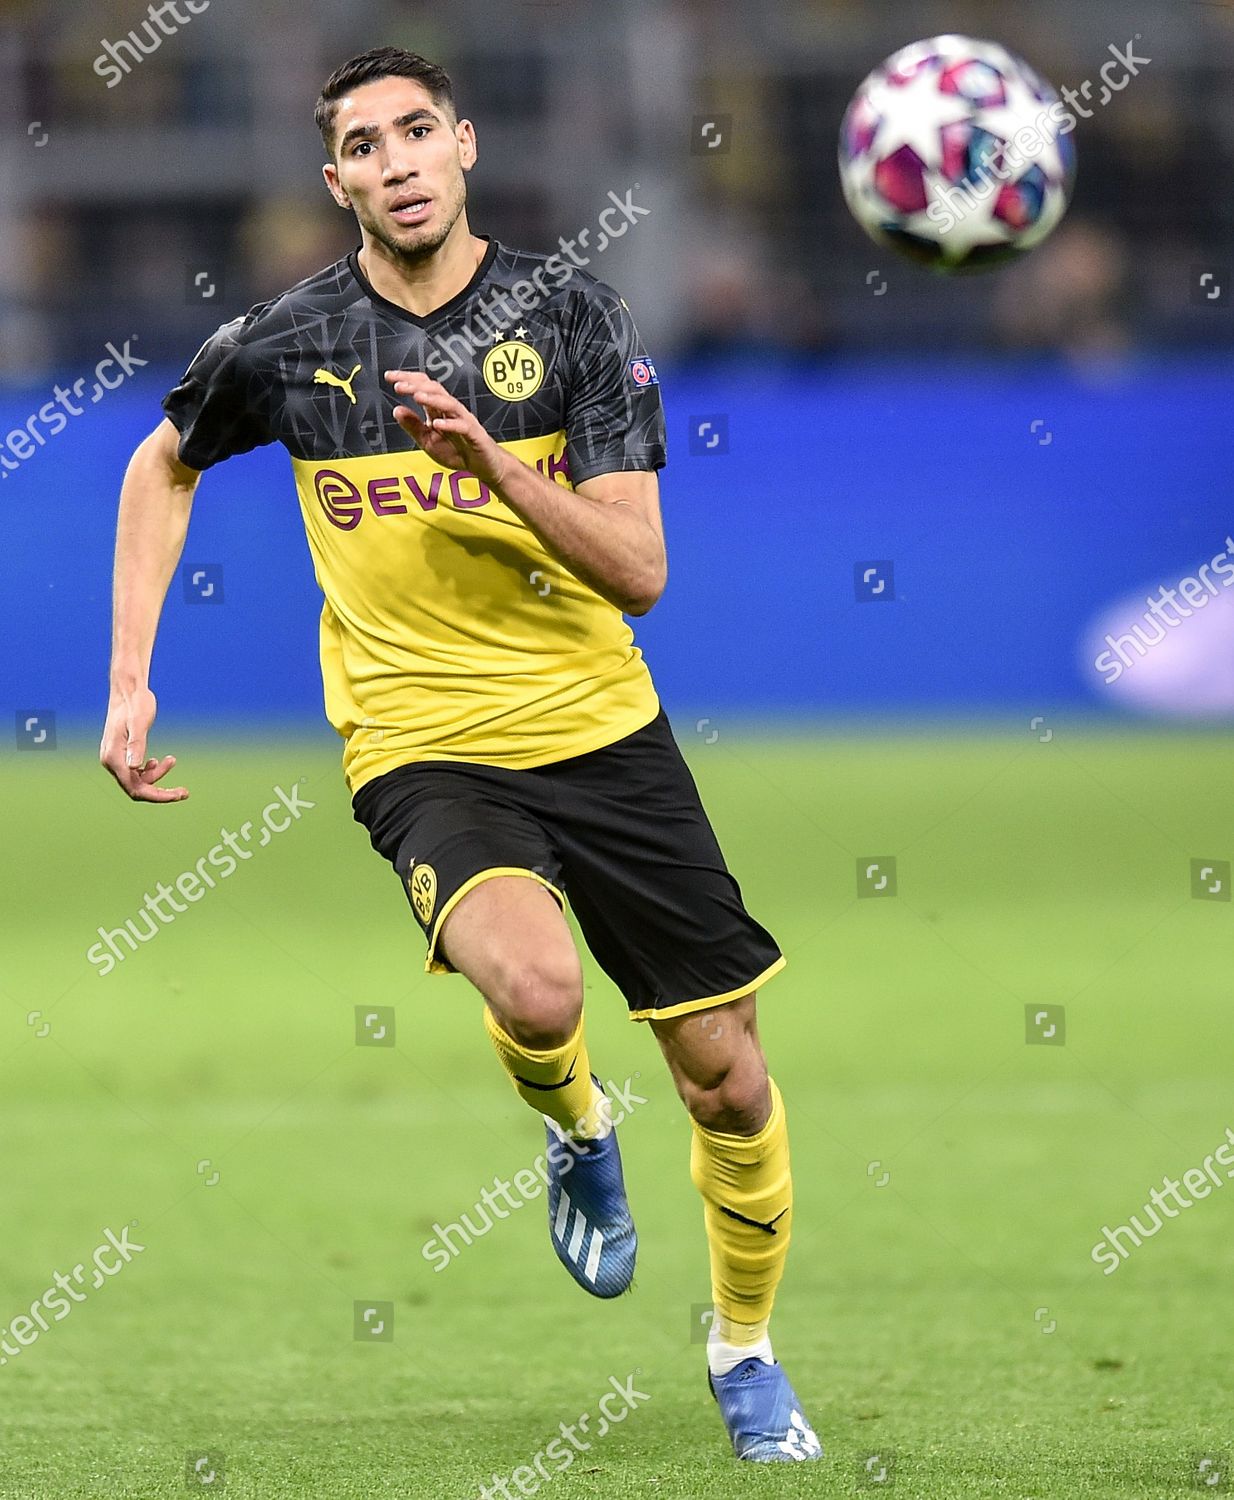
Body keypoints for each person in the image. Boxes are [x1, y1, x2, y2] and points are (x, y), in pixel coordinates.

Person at [98, 46, 821, 1465]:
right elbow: (161, 460)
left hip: (601, 734)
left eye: (417, 132)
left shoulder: (568, 314)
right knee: (539, 989)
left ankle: (743, 1349)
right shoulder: (289, 342)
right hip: (420, 744)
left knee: (727, 1076)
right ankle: (574, 1130)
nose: (397, 163)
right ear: (336, 181)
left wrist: (492, 465)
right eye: (363, 146)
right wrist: (129, 681)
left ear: (466, 144)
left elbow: (641, 571)